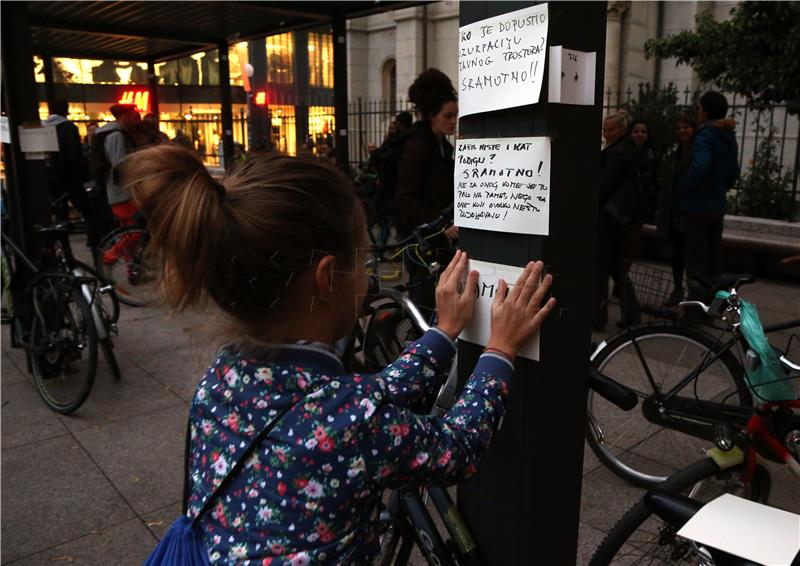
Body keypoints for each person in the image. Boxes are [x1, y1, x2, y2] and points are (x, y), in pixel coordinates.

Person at [126, 145, 556, 564]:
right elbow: (457, 448)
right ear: (328, 277)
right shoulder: (347, 417)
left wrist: (443, 334)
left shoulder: (224, 375)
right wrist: (500, 348)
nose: (367, 276)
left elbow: (364, 396)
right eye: (363, 259)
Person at [394, 69, 459, 313]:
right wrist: (439, 223)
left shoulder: (441, 144)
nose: (453, 121)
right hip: (418, 240)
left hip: (436, 238)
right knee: (424, 302)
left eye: (455, 115)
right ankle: (416, 348)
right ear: (432, 115)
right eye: (448, 115)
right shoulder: (418, 146)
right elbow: (406, 198)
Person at [679, 92, 739, 303]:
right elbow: (734, 173)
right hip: (716, 205)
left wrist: (684, 188)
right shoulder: (728, 135)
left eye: (699, 108)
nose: (698, 112)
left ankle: (696, 308)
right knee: (713, 260)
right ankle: (714, 304)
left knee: (695, 261)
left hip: (697, 206)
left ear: (705, 111)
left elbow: (700, 167)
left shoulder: (706, 135)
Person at [594, 111, 641, 330]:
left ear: (621, 130)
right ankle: (632, 314)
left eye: (610, 129)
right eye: (604, 129)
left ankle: (598, 316)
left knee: (601, 269)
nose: (606, 134)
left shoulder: (616, 154)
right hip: (622, 218)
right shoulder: (631, 149)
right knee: (617, 268)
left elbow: (603, 187)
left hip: (608, 219)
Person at [42, 100, 104, 253]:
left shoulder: (43, 128)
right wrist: (84, 177)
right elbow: (75, 157)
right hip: (72, 179)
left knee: (60, 216)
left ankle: (65, 252)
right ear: (66, 111)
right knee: (89, 213)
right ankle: (96, 248)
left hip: (53, 179)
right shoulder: (68, 128)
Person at [92, 104, 144, 263]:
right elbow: (119, 162)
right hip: (122, 191)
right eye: (133, 115)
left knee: (129, 232)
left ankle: (132, 269)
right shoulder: (116, 135)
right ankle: (108, 257)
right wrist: (141, 160)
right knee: (135, 232)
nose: (136, 120)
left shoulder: (111, 133)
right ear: (125, 116)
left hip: (119, 190)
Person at [656, 114, 697, 306]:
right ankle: (678, 288)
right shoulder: (676, 154)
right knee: (678, 255)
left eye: (686, 127)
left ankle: (692, 293)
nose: (682, 131)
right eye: (679, 128)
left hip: (689, 212)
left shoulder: (696, 153)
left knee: (690, 255)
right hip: (675, 213)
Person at [623, 119, 659, 273]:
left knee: (631, 245)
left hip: (640, 207)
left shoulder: (651, 154)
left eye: (643, 132)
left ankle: (623, 277)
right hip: (625, 205)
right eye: (636, 131)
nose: (640, 135)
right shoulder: (625, 152)